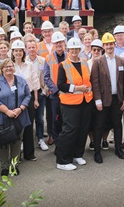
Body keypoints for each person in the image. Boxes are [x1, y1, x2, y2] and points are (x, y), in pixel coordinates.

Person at [90, 32, 124, 163]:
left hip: (117, 99)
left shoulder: (121, 61)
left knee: (117, 124)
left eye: (111, 44)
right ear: (103, 46)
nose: (109, 47)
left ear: (114, 44)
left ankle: (118, 148)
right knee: (99, 125)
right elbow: (95, 82)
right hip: (102, 99)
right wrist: (97, 100)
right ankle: (97, 151)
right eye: (106, 44)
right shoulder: (97, 62)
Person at [55, 38, 93, 171]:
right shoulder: (63, 65)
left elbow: (89, 80)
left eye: (77, 49)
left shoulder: (84, 62)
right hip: (69, 103)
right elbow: (60, 85)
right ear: (68, 50)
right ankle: (63, 160)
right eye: (72, 49)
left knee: (83, 130)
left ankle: (77, 154)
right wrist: (77, 89)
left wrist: (88, 89)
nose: (74, 51)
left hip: (85, 101)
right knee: (70, 131)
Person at [0, 58, 32, 176]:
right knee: (3, 143)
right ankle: (4, 166)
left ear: (14, 68)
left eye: (11, 66)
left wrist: (20, 108)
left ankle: (14, 165)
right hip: (2, 117)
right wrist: (7, 111)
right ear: (2, 69)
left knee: (17, 141)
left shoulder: (21, 81)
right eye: (6, 66)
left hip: (19, 117)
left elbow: (28, 96)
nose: (9, 68)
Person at [11, 40, 39, 162]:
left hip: (29, 97)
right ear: (12, 52)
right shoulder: (9, 65)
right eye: (16, 51)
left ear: (23, 52)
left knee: (28, 125)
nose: (18, 53)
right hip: (14, 98)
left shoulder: (29, 65)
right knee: (16, 126)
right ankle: (16, 154)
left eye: (20, 51)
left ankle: (29, 153)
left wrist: (36, 99)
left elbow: (35, 82)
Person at [43, 31, 68, 145]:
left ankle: (65, 140)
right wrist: (56, 90)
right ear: (53, 44)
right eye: (56, 43)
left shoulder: (69, 56)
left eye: (60, 42)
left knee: (66, 118)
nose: (58, 45)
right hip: (55, 94)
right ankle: (56, 139)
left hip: (68, 93)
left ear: (64, 42)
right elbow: (46, 77)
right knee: (55, 118)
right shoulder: (48, 58)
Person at [26, 39, 49, 151]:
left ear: (37, 48)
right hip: (28, 93)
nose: (31, 49)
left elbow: (46, 76)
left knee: (40, 117)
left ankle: (40, 139)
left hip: (40, 92)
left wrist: (45, 90)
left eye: (33, 47)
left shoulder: (43, 61)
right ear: (26, 49)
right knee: (28, 118)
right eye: (29, 47)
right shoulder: (24, 61)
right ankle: (27, 141)